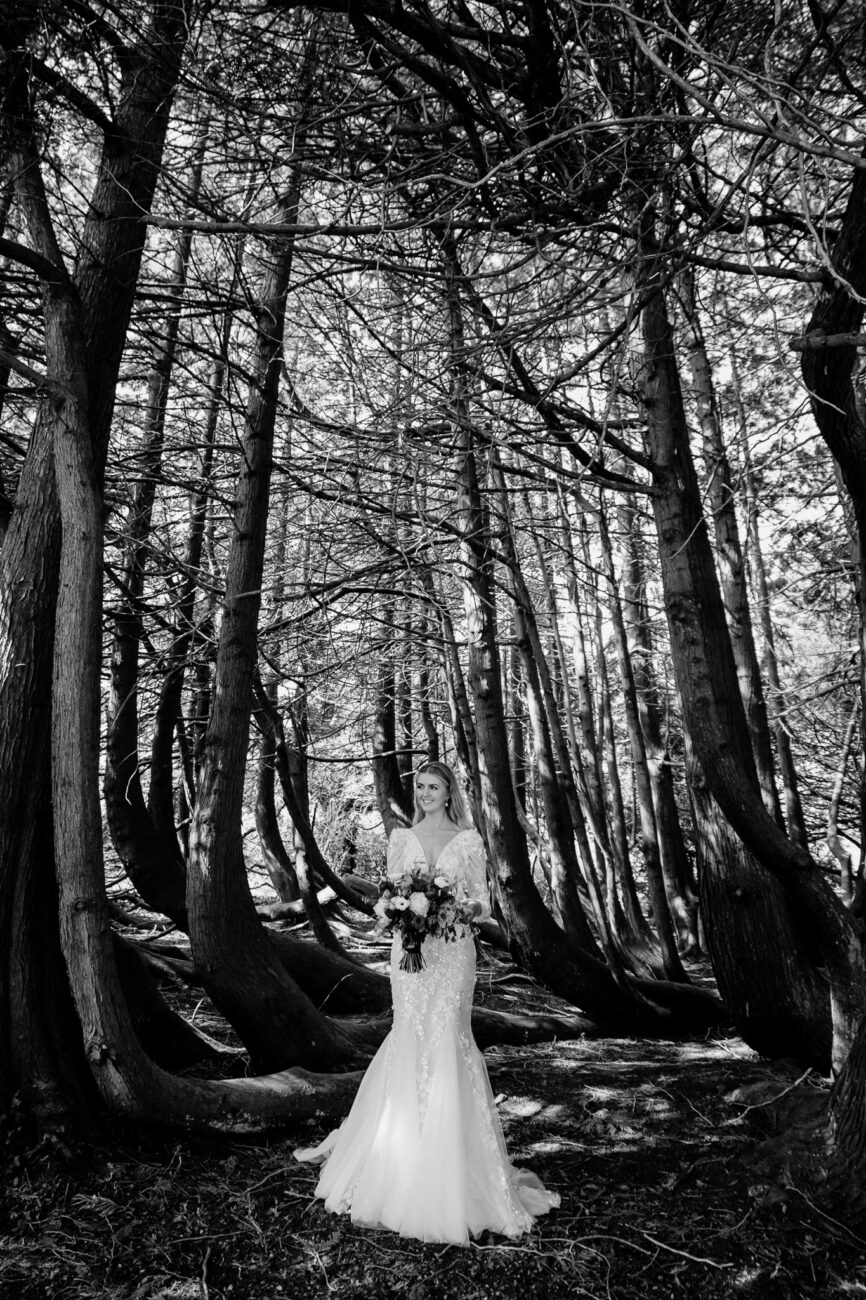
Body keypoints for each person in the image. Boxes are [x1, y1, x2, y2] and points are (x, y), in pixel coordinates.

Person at [293, 760, 560, 1244]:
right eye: (420, 786)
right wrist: (395, 909)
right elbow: (390, 895)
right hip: (410, 956)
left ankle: (455, 1167)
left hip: (453, 952)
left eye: (434, 786)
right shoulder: (401, 838)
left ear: (449, 791)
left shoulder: (469, 839)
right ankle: (399, 1158)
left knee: (448, 1038)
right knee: (411, 1034)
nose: (426, 793)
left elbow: (483, 900)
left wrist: (463, 907)